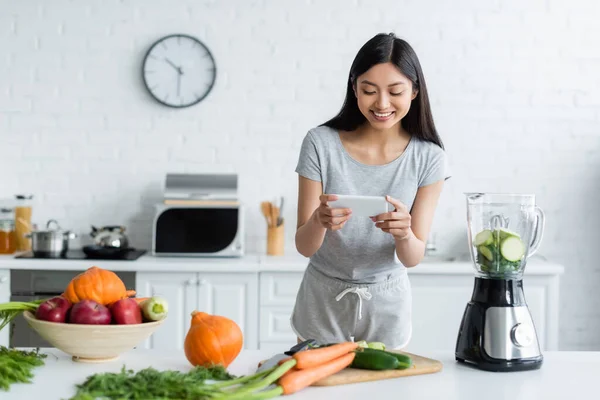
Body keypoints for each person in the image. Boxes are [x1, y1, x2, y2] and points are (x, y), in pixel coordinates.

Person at [291, 33, 451, 349]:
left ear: (415, 91)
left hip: (387, 302)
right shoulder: (320, 144)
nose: (381, 104)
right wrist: (319, 221)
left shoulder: (429, 157)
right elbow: (304, 246)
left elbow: (413, 257)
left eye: (395, 92)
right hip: (322, 297)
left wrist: (404, 234)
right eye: (369, 91)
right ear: (354, 88)